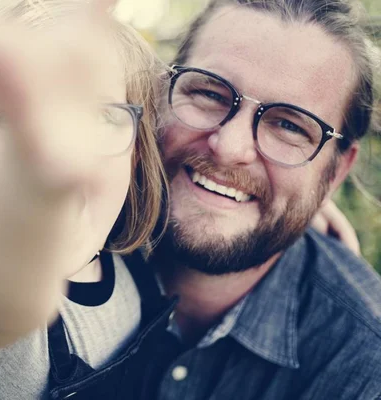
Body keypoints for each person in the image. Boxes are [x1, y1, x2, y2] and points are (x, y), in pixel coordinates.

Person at [0, 0, 178, 399]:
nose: (66, 149)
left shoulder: (128, 267)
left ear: (135, 153)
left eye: (101, 117)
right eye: (13, 118)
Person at [150, 0, 381, 398]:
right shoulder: (66, 234)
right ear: (161, 92)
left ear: (336, 172)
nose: (228, 147)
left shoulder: (363, 365)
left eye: (290, 126)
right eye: (208, 92)